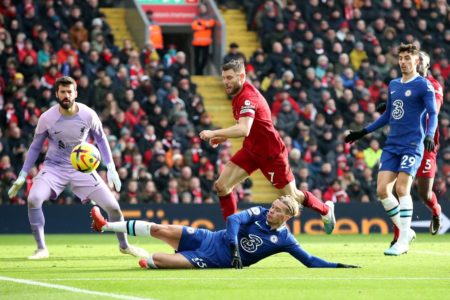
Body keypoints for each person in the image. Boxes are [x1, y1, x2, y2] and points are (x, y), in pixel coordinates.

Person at [7, 76, 148, 260]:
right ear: (57, 94)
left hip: (82, 168)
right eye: (63, 92)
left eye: (69, 91)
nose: (66, 95)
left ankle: (124, 245)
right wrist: (23, 174)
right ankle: (41, 248)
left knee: (114, 208)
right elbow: (35, 147)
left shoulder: (88, 114)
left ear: (76, 93)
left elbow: (101, 139)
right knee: (33, 199)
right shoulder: (47, 118)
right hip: (54, 167)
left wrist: (111, 167)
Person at [198, 60, 335, 234]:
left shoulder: (248, 97)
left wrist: (214, 133)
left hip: (272, 154)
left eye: (230, 78)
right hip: (251, 150)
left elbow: (244, 128)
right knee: (222, 186)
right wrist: (223, 136)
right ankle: (232, 233)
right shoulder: (238, 95)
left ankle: (325, 210)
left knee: (292, 196)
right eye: (224, 78)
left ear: (242, 76)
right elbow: (247, 126)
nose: (226, 82)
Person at [91, 195, 359, 269]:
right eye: (273, 206)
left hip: (210, 260)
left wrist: (337, 265)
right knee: (160, 228)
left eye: (277, 210)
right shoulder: (257, 212)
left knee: (156, 259)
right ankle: (106, 226)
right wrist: (233, 246)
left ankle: (151, 262)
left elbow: (309, 261)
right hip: (209, 239)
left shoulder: (285, 239)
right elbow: (232, 219)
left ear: (287, 217)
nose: (271, 211)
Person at [344, 44, 438, 256]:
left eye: (408, 58)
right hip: (392, 144)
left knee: (402, 189)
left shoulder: (424, 86)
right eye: (401, 58)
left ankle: (403, 239)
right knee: (382, 191)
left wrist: (430, 134)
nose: (403, 61)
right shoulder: (394, 84)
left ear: (416, 61)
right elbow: (388, 116)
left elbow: (433, 113)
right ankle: (407, 231)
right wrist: (363, 132)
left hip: (412, 144)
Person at [387, 51, 444, 244]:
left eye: (421, 63)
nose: (417, 65)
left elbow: (432, 110)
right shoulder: (403, 84)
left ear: (426, 66)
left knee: (423, 193)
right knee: (397, 189)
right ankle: (399, 236)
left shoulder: (433, 86)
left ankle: (436, 210)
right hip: (406, 143)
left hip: (426, 144)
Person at [191, 3, 215, 75]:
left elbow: (211, 24)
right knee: (196, 58)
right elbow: (194, 26)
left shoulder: (210, 16)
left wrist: (201, 24)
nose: (202, 9)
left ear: (206, 8)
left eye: (203, 8)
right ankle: (198, 72)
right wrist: (205, 26)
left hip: (206, 42)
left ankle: (200, 70)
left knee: (205, 58)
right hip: (196, 42)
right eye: (200, 8)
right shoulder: (196, 17)